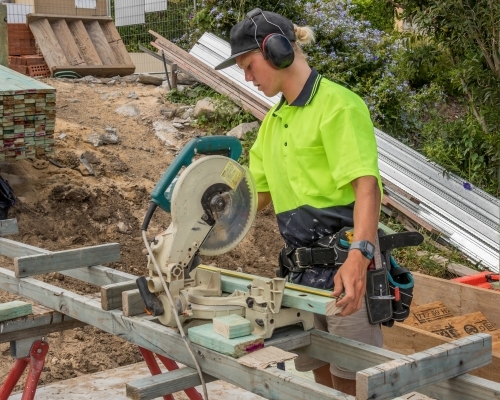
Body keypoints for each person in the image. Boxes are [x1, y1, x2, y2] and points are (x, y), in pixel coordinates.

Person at [215, 8, 382, 396]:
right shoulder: (273, 124)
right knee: (320, 377)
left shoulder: (338, 105)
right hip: (301, 273)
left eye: (249, 65)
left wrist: (360, 255)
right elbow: (252, 197)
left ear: (276, 50)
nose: (248, 77)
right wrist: (205, 207)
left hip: (344, 266)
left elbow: (367, 188)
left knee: (356, 381)